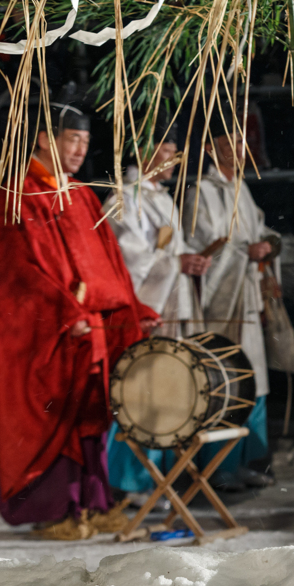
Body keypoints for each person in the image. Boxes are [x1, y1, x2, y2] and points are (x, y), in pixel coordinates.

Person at [0, 103, 160, 539]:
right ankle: (57, 510)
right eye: (72, 138)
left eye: (85, 140)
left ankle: (95, 503)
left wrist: (135, 312)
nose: (81, 149)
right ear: (46, 138)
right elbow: (19, 276)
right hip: (51, 332)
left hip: (94, 329)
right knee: (55, 418)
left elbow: (110, 267)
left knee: (92, 417)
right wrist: (66, 312)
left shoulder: (82, 195)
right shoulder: (19, 195)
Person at [103, 118, 210, 500]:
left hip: (170, 303)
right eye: (165, 151)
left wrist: (187, 261)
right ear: (143, 150)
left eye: (175, 154)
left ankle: (160, 476)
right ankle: (127, 481)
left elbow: (168, 253)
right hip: (143, 308)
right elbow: (126, 256)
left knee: (165, 387)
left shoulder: (162, 197)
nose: (172, 160)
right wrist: (174, 264)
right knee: (139, 388)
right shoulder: (122, 196)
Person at [183, 103, 279, 492]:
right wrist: (246, 252)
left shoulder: (243, 188)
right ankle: (218, 468)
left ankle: (246, 460)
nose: (240, 146)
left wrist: (269, 246)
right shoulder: (200, 192)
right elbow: (203, 247)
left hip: (247, 299)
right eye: (231, 140)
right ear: (210, 147)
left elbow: (260, 231)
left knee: (252, 379)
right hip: (221, 303)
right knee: (223, 381)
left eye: (241, 138)